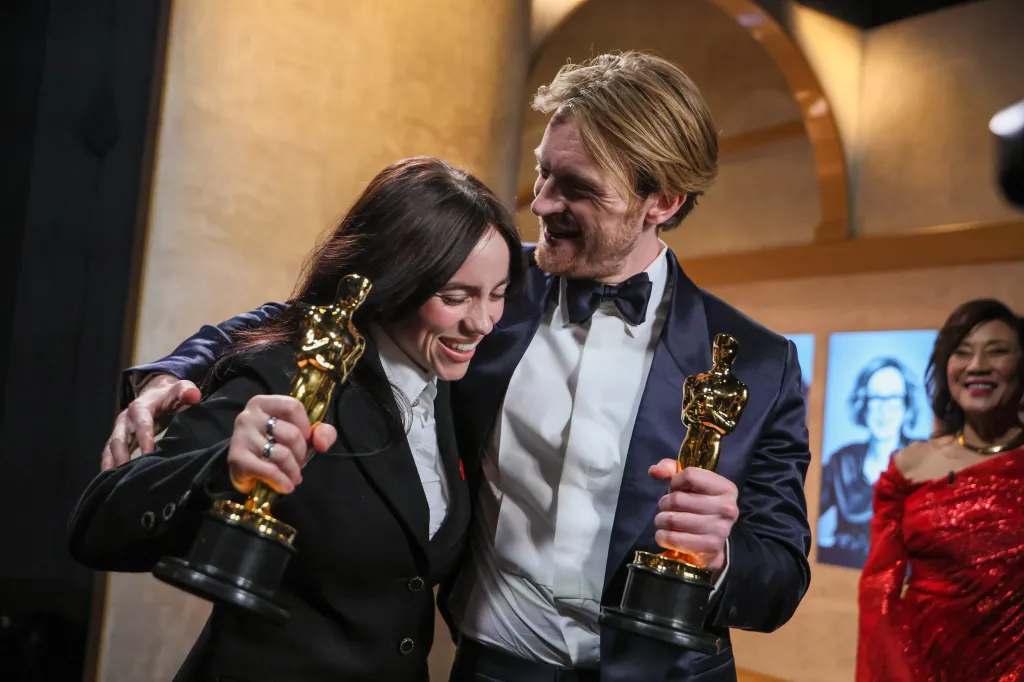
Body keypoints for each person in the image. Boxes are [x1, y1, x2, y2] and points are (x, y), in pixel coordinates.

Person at [103, 52, 812, 681]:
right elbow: (313, 314)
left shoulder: (759, 363)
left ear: (663, 201)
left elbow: (780, 575)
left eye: (576, 189)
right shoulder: (485, 294)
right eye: (541, 173)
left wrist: (719, 558)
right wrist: (174, 372)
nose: (540, 204)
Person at [69, 157, 526, 682]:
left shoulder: (451, 380)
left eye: (498, 294)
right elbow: (97, 528)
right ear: (393, 279)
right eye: (455, 297)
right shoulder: (292, 373)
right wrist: (224, 469)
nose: (484, 321)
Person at [857, 299, 1024, 682]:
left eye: (997, 351)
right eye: (961, 353)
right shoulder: (908, 467)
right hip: (920, 666)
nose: (977, 365)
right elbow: (879, 591)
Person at [817, 357, 922, 569]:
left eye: (893, 398)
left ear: (906, 405)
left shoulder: (925, 457)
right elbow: (801, 512)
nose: (884, 410)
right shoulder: (841, 461)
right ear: (863, 403)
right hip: (839, 578)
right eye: (875, 398)